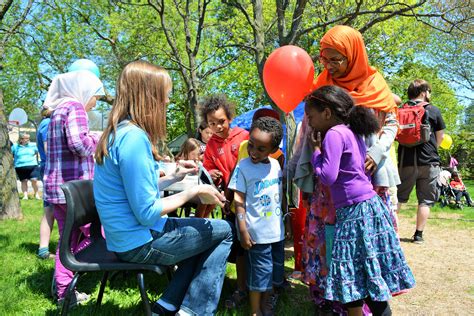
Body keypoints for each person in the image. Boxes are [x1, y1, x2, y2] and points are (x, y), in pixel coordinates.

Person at [94, 60, 233, 316]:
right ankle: (195, 311)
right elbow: (146, 212)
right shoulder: (134, 139)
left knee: (202, 232)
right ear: (148, 97)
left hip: (124, 238)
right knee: (224, 230)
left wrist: (171, 178)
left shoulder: (119, 132)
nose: (167, 102)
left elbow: (132, 192)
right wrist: (191, 192)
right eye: (164, 96)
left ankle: (168, 304)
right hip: (138, 243)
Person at [290, 25, 401, 314]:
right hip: (330, 190)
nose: (329, 66)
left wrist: (376, 152)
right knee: (330, 242)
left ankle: (366, 297)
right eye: (325, 59)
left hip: (364, 182)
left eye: (336, 59)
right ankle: (332, 299)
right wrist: (299, 164)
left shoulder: (375, 83)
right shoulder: (322, 84)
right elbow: (308, 124)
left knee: (362, 247)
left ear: (353, 55)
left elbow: (391, 122)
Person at [305, 85, 415, 316]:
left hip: (354, 213)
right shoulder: (352, 131)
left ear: (326, 113)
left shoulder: (334, 134)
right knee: (365, 274)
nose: (310, 122)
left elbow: (327, 176)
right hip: (369, 207)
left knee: (351, 277)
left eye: (311, 116)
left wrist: (316, 152)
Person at [43, 70, 105, 306]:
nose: (95, 102)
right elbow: (79, 145)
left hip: (57, 188)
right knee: (98, 235)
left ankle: (63, 287)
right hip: (74, 190)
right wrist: (99, 138)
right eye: (95, 96)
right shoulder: (75, 107)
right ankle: (64, 285)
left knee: (67, 240)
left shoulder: (58, 109)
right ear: (84, 90)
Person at [228, 117, 285, 316]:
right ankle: (255, 311)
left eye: (261, 149)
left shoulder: (276, 166)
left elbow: (280, 194)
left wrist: (287, 222)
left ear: (273, 149)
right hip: (256, 235)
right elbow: (238, 200)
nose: (254, 151)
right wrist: (242, 229)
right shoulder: (243, 167)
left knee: (273, 273)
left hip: (277, 233)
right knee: (259, 276)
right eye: (251, 145)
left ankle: (267, 303)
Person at [199, 94, 249, 308]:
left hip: (249, 201)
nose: (218, 126)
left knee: (256, 245)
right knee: (238, 247)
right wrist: (212, 172)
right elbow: (207, 167)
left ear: (230, 118)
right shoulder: (211, 144)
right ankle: (241, 288)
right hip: (229, 203)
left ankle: (264, 285)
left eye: (221, 121)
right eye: (212, 123)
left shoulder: (244, 136)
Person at [397, 79, 446, 244]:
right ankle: (418, 235)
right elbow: (441, 137)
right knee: (425, 200)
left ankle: (389, 232)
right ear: (424, 92)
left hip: (405, 161)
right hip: (429, 162)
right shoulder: (433, 110)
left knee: (398, 198)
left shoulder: (400, 109)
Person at [36, 106, 55, 259]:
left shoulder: (44, 122)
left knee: (49, 210)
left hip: (46, 167)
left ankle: (43, 249)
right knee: (51, 210)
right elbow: (50, 150)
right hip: (51, 169)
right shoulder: (48, 123)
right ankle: (44, 249)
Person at [11, 133, 40, 200]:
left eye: (28, 138)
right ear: (21, 139)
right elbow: (11, 154)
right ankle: (25, 196)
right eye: (26, 138)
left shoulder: (32, 145)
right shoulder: (15, 147)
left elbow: (36, 152)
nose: (28, 140)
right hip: (20, 167)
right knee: (24, 181)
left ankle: (37, 194)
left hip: (33, 166)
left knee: (34, 180)